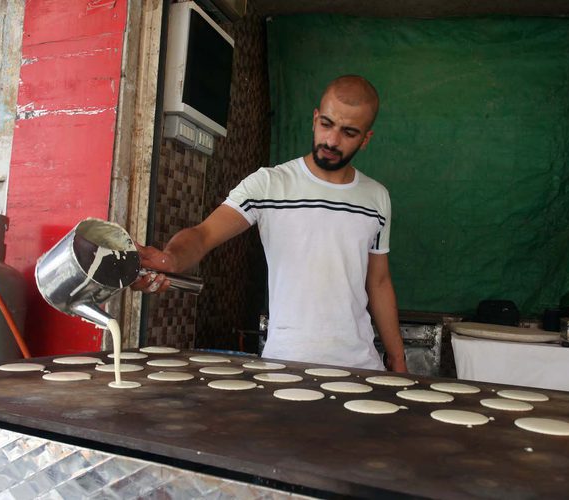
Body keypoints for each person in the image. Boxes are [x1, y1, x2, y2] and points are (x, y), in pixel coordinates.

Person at [133, 75, 407, 373]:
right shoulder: (269, 184)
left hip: (362, 367)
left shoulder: (377, 198)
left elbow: (379, 282)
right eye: (326, 124)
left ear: (366, 139)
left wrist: (397, 359)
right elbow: (204, 234)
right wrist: (170, 258)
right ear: (315, 119)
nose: (331, 140)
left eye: (349, 132)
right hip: (286, 366)